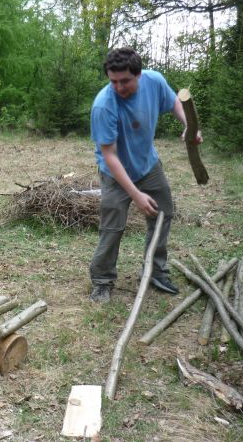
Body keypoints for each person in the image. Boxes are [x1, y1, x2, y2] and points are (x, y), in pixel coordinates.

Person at [89, 47, 202, 303]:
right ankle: (102, 280)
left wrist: (188, 125)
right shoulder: (103, 106)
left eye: (125, 80)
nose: (119, 87)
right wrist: (136, 195)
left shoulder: (154, 81)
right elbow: (110, 156)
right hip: (115, 174)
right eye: (113, 81)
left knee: (163, 214)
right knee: (113, 227)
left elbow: (174, 101)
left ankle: (155, 272)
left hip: (148, 165)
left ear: (139, 75)